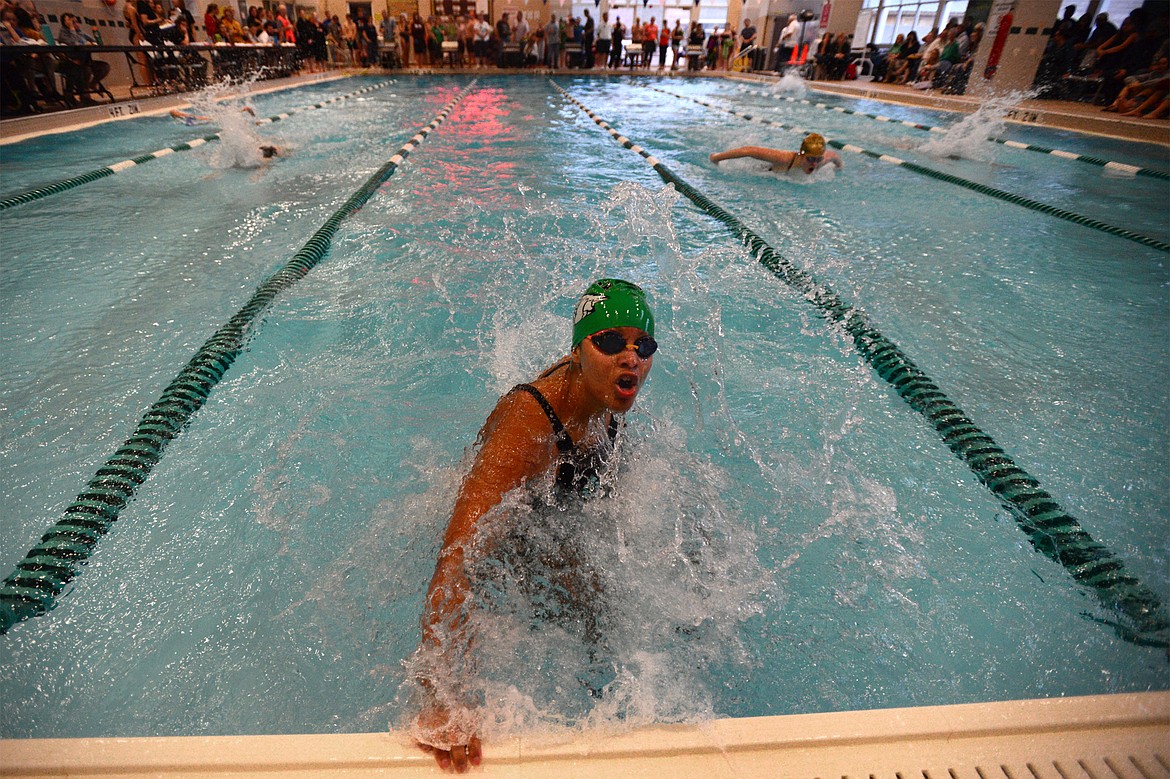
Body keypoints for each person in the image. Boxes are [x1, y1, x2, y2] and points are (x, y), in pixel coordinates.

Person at [411, 279, 657, 774]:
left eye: (642, 344)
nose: (630, 357)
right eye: (610, 341)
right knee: (583, 595)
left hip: (552, 506)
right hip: (511, 525)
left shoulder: (608, 402)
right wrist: (443, 695)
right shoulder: (529, 420)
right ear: (577, 350)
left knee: (598, 615)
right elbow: (459, 550)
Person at [710, 132, 843, 175]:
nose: (814, 164)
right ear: (801, 154)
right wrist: (717, 157)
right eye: (810, 159)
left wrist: (840, 167)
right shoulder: (784, 159)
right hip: (766, 173)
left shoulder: (818, 163)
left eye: (818, 159)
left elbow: (833, 156)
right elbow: (749, 150)